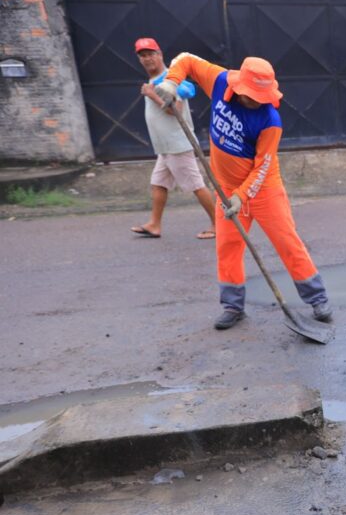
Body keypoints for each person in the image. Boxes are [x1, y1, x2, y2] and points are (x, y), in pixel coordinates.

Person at [155, 54, 332, 329]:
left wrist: (242, 196)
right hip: (226, 188)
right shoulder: (220, 80)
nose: (257, 101)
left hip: (264, 190)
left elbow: (263, 166)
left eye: (262, 96)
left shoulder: (270, 120)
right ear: (239, 87)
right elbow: (187, 61)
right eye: (253, 95)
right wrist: (171, 82)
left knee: (287, 242)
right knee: (228, 246)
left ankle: (317, 298)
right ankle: (233, 306)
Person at [130, 37, 216, 240]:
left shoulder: (170, 80)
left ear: (160, 55)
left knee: (196, 185)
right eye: (143, 55)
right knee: (158, 183)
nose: (147, 59)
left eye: (151, 54)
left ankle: (218, 224)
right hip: (165, 147)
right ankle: (154, 225)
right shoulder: (154, 81)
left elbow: (174, 111)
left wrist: (152, 95)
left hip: (178, 145)